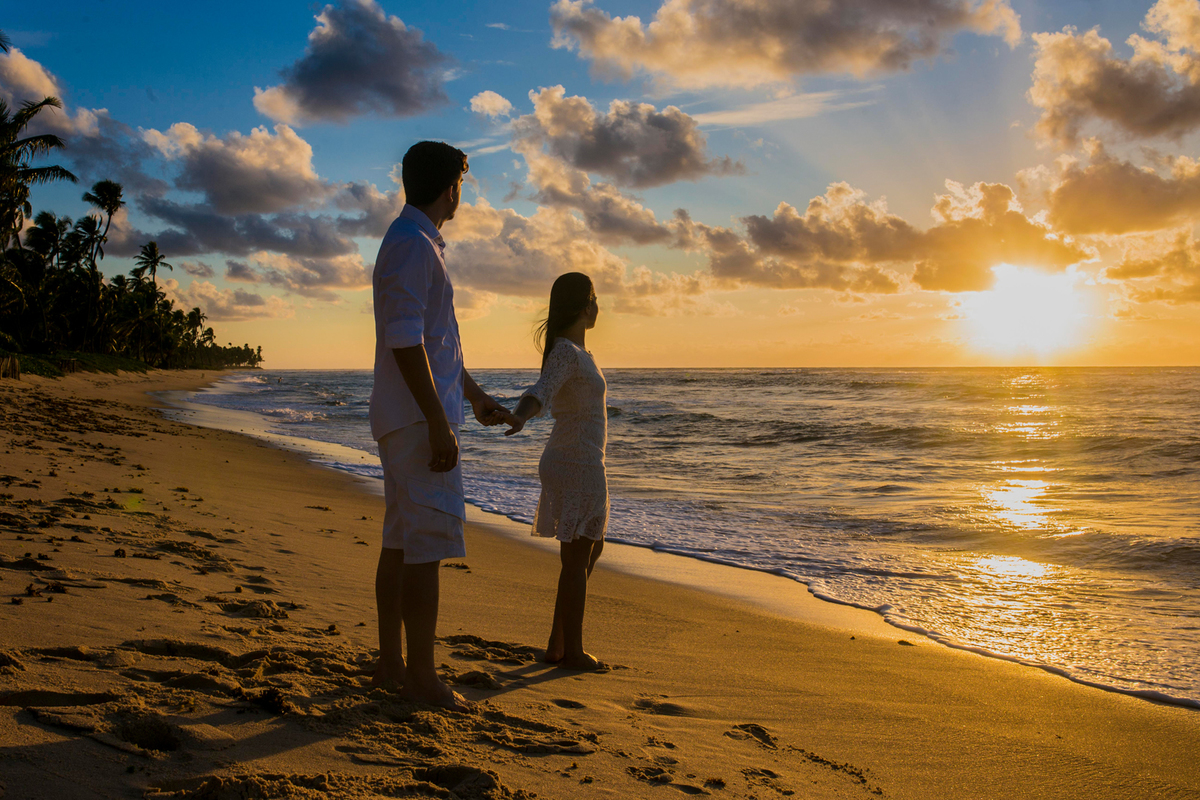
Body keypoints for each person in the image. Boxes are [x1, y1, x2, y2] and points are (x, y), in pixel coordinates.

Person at [369, 140, 513, 709]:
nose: (462, 193)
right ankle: (421, 677)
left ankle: (391, 663)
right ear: (447, 185)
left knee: (402, 540)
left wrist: (471, 398)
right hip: (414, 419)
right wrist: (436, 420)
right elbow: (404, 341)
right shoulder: (412, 245)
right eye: (461, 182)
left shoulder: (416, 242)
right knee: (423, 543)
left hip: (406, 414)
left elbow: (437, 344)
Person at [505, 272, 608, 671]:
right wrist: (520, 416)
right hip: (575, 461)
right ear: (585, 305)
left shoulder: (578, 352)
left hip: (581, 459)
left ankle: (557, 642)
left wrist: (523, 412)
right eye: (596, 298)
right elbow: (541, 391)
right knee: (578, 556)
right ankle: (573, 653)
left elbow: (545, 389)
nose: (599, 306)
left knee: (589, 549)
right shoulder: (566, 351)